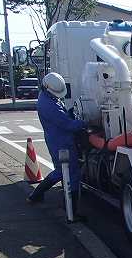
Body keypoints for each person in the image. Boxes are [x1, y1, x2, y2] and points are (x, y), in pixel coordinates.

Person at [27, 72, 87, 219]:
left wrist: (71, 113)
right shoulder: (48, 104)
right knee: (71, 174)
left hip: (56, 139)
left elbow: (64, 117)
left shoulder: (47, 97)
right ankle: (71, 211)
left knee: (60, 171)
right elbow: (66, 124)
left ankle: (36, 195)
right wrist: (85, 123)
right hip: (61, 141)